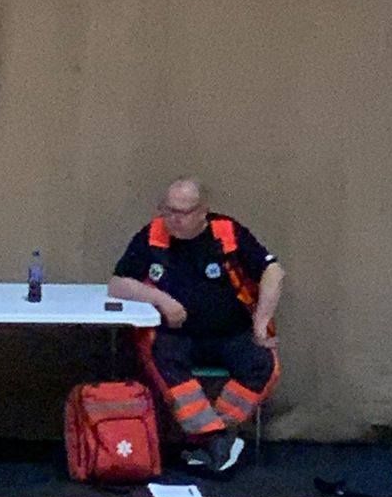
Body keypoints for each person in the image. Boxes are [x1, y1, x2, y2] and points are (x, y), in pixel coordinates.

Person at [108, 176, 285, 475]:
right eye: (168, 210)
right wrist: (161, 300)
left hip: (231, 333)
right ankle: (215, 440)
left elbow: (274, 271)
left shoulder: (227, 232)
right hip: (178, 337)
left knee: (263, 363)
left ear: (203, 211)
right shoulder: (152, 235)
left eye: (183, 212)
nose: (174, 219)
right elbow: (118, 283)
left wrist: (261, 321)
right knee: (160, 356)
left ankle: (218, 434)